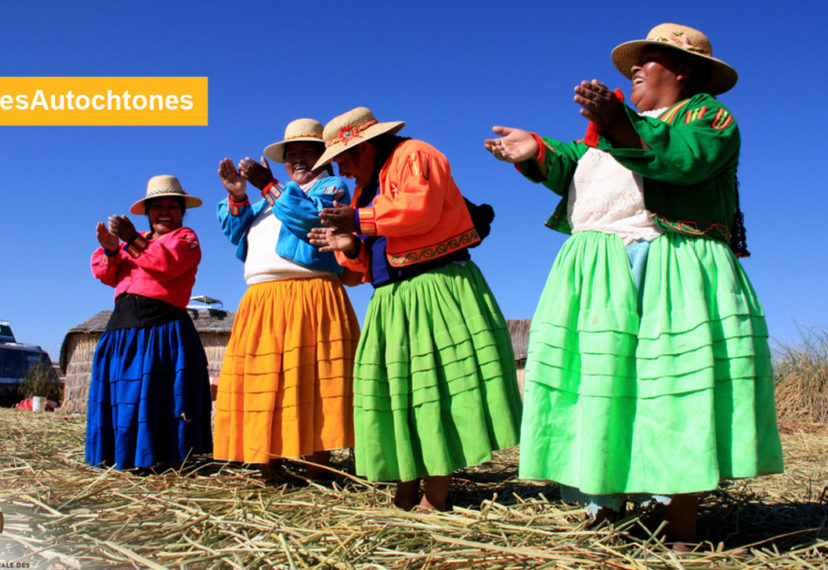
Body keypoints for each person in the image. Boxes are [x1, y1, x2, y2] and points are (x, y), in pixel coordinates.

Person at [485, 23, 783, 542]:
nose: (636, 69)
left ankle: (678, 524)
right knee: (599, 387)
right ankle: (605, 512)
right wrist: (535, 149)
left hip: (670, 261)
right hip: (598, 265)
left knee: (669, 387)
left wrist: (618, 122)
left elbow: (685, 159)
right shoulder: (614, 129)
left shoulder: (707, 117)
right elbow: (580, 166)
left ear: (682, 70)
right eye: (636, 62)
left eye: (649, 59)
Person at [309, 107, 521, 511]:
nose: (343, 171)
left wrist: (358, 219)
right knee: (400, 395)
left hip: (434, 287)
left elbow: (419, 210)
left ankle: (434, 496)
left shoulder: (416, 155)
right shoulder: (363, 187)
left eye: (343, 159)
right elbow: (365, 262)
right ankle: (404, 489)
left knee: (437, 389)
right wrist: (349, 245)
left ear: (363, 147)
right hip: (391, 299)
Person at [214, 118, 360, 481]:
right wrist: (239, 196)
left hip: (311, 295)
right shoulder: (268, 200)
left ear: (324, 157)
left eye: (308, 152)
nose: (298, 160)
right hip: (262, 301)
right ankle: (269, 463)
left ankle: (318, 466)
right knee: (266, 383)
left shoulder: (331, 188)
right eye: (291, 155)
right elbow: (235, 233)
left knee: (314, 378)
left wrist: (269, 187)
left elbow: (312, 221)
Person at [86, 175, 212, 470]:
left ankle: (165, 459)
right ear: (147, 212)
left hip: (162, 332)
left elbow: (166, 264)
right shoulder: (137, 240)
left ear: (182, 212)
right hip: (123, 332)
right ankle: (120, 456)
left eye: (172, 206)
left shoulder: (186, 239)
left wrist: (132, 240)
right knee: (124, 397)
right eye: (157, 206)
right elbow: (106, 274)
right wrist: (111, 248)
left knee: (160, 396)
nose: (164, 212)